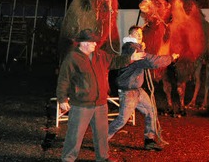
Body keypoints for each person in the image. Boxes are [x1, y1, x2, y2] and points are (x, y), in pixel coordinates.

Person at [56, 29, 141, 162]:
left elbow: (114, 61)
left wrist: (130, 59)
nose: (95, 45)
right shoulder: (72, 58)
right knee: (75, 135)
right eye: (93, 42)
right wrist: (62, 99)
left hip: (101, 103)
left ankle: (103, 158)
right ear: (84, 43)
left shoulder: (100, 55)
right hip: (81, 104)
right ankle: (68, 159)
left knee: (101, 134)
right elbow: (63, 79)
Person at [107, 25, 178, 151]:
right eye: (136, 34)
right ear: (130, 36)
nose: (140, 36)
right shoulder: (131, 48)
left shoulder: (135, 48)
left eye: (141, 34)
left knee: (151, 111)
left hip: (137, 89)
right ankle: (101, 140)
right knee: (122, 120)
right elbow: (152, 61)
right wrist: (170, 58)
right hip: (128, 91)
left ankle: (149, 140)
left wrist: (142, 48)